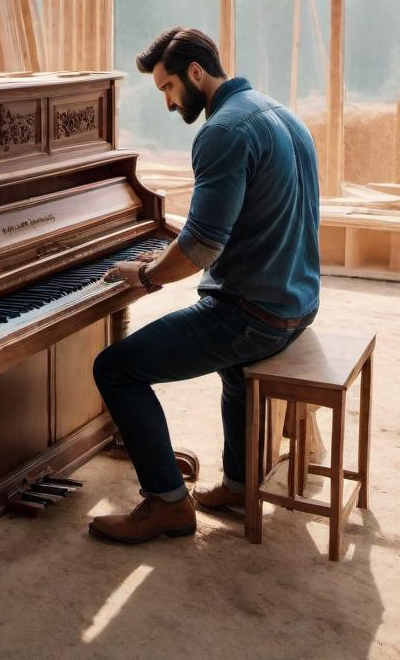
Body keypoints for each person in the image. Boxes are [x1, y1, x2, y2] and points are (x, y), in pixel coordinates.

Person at [89, 27, 320, 544]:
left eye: (168, 88)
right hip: (298, 302)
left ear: (196, 73)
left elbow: (201, 248)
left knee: (116, 368)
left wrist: (146, 275)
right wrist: (164, 257)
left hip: (256, 314)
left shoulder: (223, 132)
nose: (170, 103)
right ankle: (239, 486)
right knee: (231, 369)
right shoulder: (278, 112)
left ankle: (168, 504)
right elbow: (234, 227)